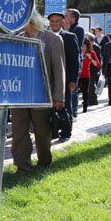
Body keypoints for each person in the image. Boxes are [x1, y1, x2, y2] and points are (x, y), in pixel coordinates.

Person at [11, 10, 65, 174]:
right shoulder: (17, 38)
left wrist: (59, 96)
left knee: (42, 131)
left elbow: (59, 69)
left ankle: (44, 161)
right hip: (20, 94)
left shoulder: (52, 39)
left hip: (42, 93)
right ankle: (23, 167)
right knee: (19, 132)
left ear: (31, 20)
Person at [47, 12, 80, 142]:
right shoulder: (45, 36)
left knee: (65, 105)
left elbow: (75, 60)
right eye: (52, 21)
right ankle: (53, 130)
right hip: (49, 78)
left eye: (57, 21)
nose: (54, 23)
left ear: (62, 22)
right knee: (50, 106)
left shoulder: (70, 37)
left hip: (65, 79)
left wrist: (73, 80)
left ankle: (66, 131)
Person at [80, 37, 100, 113]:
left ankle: (85, 109)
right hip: (78, 74)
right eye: (83, 46)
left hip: (86, 74)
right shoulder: (78, 51)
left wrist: (90, 58)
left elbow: (97, 64)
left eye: (85, 46)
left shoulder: (91, 53)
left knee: (85, 92)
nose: (84, 48)